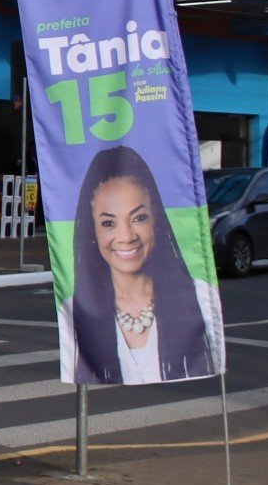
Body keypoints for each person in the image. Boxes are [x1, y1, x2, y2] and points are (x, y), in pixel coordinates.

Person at [61, 145, 219, 385]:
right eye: (108, 223)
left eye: (139, 218)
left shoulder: (199, 297)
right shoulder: (76, 311)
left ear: (156, 218)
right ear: (91, 229)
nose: (126, 236)